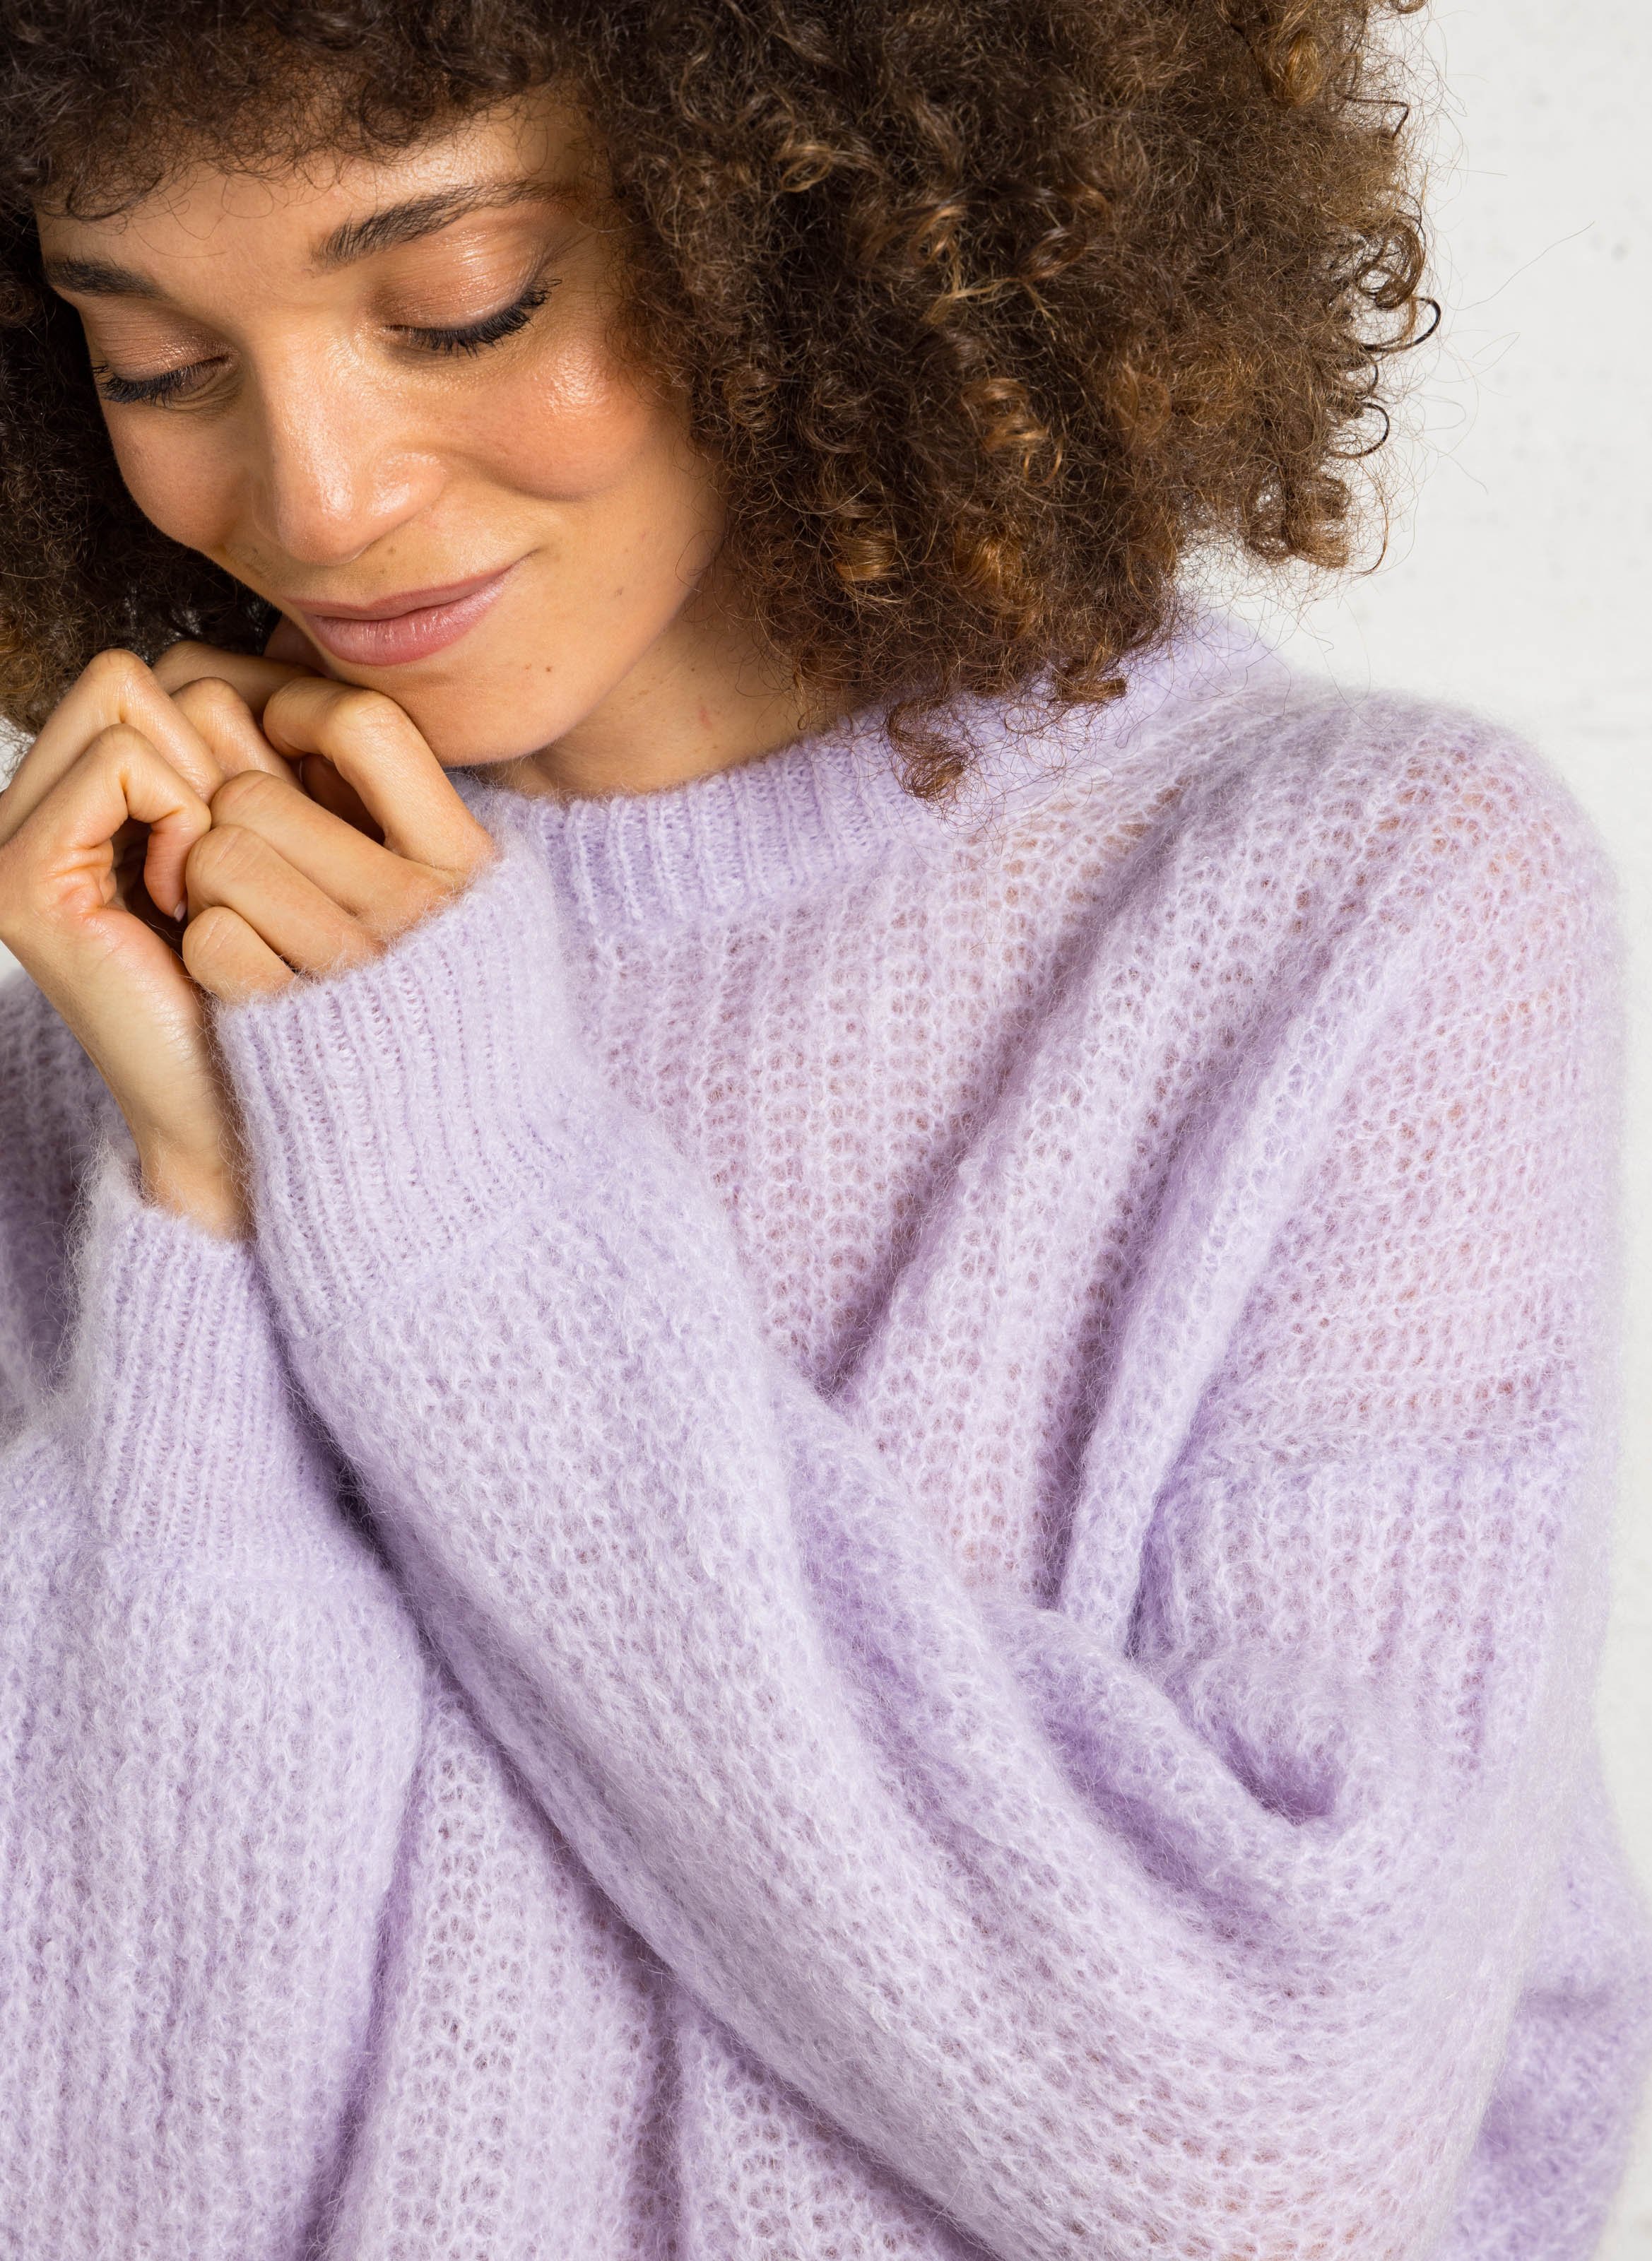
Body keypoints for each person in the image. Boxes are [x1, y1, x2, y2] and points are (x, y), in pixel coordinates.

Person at [0, 4, 1647, 2255]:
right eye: (161, 365)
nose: (316, 493)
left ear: (802, 217)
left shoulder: (1360, 908)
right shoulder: (146, 1014)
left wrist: (451, 1196)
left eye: (464, 301)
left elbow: (1265, 2156)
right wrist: (198, 1221)